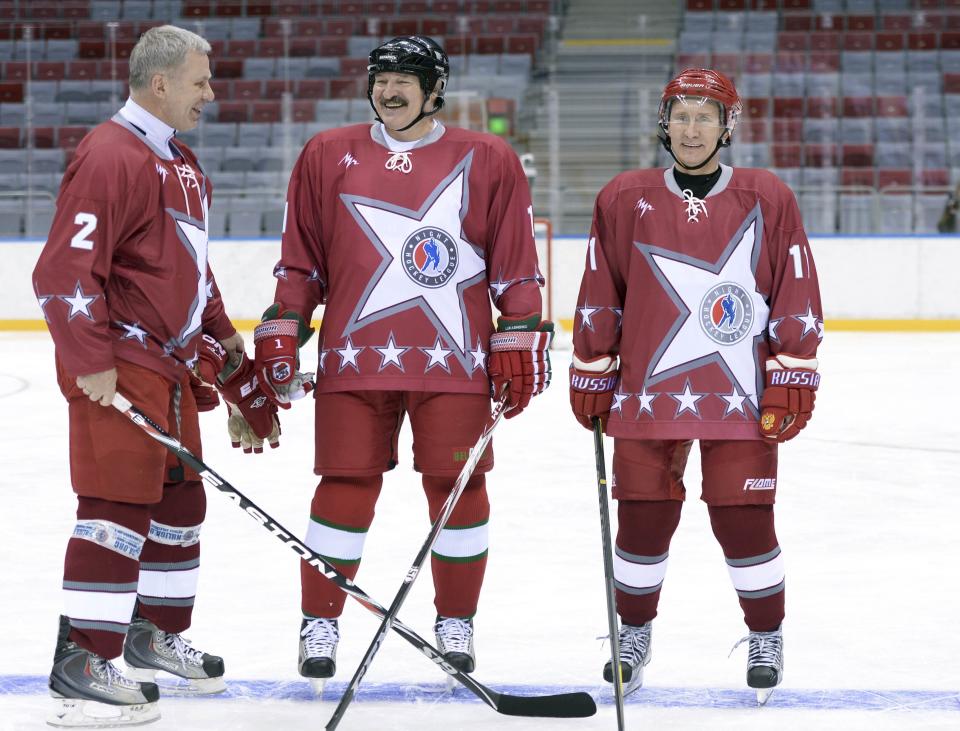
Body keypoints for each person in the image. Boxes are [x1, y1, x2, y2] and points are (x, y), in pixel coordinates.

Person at [249, 35, 552, 690]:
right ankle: (320, 619)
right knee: (344, 484)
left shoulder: (488, 157)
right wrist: (285, 326)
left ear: (435, 89)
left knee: (458, 487)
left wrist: (521, 331)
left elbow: (515, 264)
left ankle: (456, 621)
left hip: (455, 360)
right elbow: (302, 261)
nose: (390, 89)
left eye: (405, 78)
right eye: (381, 77)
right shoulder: (327, 154)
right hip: (355, 361)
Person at [32, 25, 277, 727]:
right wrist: (91, 361)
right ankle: (82, 657)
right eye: (200, 81)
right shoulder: (110, 155)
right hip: (122, 363)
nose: (210, 93)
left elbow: (195, 284)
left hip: (167, 369)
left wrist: (235, 375)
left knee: (179, 508)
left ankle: (148, 635)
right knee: (116, 506)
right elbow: (61, 273)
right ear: (160, 81)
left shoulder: (183, 163)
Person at [569, 68, 823, 703]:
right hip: (647, 391)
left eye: (704, 117)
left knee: (745, 524)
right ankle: (632, 633)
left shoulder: (767, 197)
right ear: (664, 123)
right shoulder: (624, 197)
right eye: (680, 115)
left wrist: (791, 370)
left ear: (727, 127)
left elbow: (795, 287)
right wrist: (595, 364)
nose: (690, 128)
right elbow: (602, 289)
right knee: (643, 525)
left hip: (737, 393)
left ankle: (767, 635)